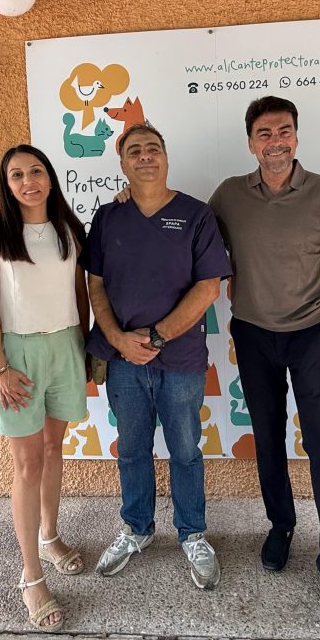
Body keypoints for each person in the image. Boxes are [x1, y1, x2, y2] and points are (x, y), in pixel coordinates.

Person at [208, 96, 320, 624]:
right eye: (264, 133)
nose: (275, 142)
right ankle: (281, 525)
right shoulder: (230, 195)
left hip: (310, 336)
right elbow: (191, 236)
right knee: (268, 438)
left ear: (296, 137)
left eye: (283, 131)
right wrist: (127, 198)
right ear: (250, 143)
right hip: (253, 335)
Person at [86, 122, 232, 589]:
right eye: (134, 151)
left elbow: (208, 287)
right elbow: (95, 284)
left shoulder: (196, 215)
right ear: (122, 163)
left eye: (153, 148)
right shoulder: (108, 218)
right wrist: (118, 338)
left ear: (166, 158)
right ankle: (137, 529)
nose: (145, 156)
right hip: (124, 360)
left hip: (180, 359)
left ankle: (192, 533)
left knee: (185, 450)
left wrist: (156, 336)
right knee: (131, 450)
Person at [0, 144, 89, 632]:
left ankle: (50, 535)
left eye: (36, 171)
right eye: (17, 175)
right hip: (17, 354)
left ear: (50, 177)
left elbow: (80, 293)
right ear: (7, 184)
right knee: (26, 464)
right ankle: (31, 575)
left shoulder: (69, 229)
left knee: (53, 448)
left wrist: (87, 347)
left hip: (66, 344)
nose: (28, 182)